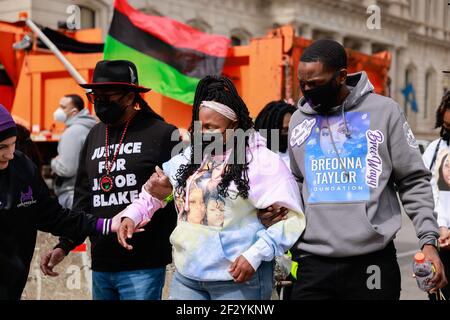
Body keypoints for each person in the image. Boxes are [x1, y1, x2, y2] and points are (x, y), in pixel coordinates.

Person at [259, 39, 446, 300]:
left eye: (315, 83)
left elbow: (413, 180)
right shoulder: (300, 120)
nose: (307, 90)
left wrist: (428, 241)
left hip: (371, 263)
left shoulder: (385, 112)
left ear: (341, 77)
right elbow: (298, 181)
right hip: (313, 264)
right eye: (303, 83)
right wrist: (282, 208)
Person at [116, 75, 306, 300]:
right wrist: (132, 215)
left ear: (234, 125)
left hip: (237, 280)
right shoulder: (189, 157)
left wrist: (255, 255)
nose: (203, 133)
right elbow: (156, 192)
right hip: (187, 278)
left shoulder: (261, 161)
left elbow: (292, 219)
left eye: (211, 127)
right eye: (200, 126)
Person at [40, 60, 179, 300]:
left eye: (109, 96)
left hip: (143, 263)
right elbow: (84, 197)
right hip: (102, 261)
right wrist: (64, 245)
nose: (101, 103)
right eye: (97, 97)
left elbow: (178, 192)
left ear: (129, 96)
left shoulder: (163, 133)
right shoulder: (94, 134)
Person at [0, 104, 117, 300]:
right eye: (2, 147)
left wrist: (104, 224)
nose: (10, 154)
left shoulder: (21, 167)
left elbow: (53, 215)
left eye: (13, 144)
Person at [423, 90, 450, 299]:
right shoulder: (435, 150)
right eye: (447, 127)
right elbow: (430, 193)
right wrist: (441, 227)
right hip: (444, 243)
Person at [51, 94, 96, 209]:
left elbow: (67, 169)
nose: (59, 111)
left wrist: (54, 162)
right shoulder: (89, 127)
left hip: (71, 193)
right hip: (85, 192)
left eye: (63, 107)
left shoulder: (73, 132)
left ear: (74, 112)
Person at [255, 100, 297, 168]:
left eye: (293, 129)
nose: (290, 134)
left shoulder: (300, 155)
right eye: (285, 130)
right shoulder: (257, 160)